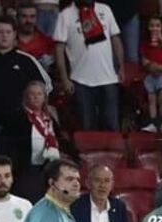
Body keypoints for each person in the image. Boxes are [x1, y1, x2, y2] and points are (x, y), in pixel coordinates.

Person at [0, 16, 52, 157]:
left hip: (22, 127)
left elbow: (44, 89)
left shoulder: (27, 61)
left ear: (14, 34)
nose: (4, 36)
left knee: (21, 170)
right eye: (0, 32)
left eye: (8, 32)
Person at [54, 0, 125, 132]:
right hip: (80, 80)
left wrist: (121, 67)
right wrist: (64, 78)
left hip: (108, 78)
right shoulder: (66, 15)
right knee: (86, 128)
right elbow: (59, 48)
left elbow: (115, 38)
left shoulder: (105, 9)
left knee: (111, 126)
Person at [0, 81, 62, 204]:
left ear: (44, 97)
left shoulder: (49, 117)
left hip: (48, 168)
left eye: (39, 94)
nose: (35, 97)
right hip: (25, 170)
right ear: (26, 97)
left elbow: (60, 139)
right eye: (32, 94)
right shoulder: (17, 117)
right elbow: (6, 144)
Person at [140, 14, 162, 134]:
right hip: (150, 75)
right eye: (152, 26)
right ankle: (153, 123)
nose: (155, 28)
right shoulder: (145, 43)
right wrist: (149, 65)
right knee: (151, 98)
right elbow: (143, 60)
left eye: (158, 26)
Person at [16, 2, 56, 71]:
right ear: (17, 18)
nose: (28, 20)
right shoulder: (8, 40)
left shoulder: (47, 42)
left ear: (37, 18)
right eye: (24, 16)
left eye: (32, 16)